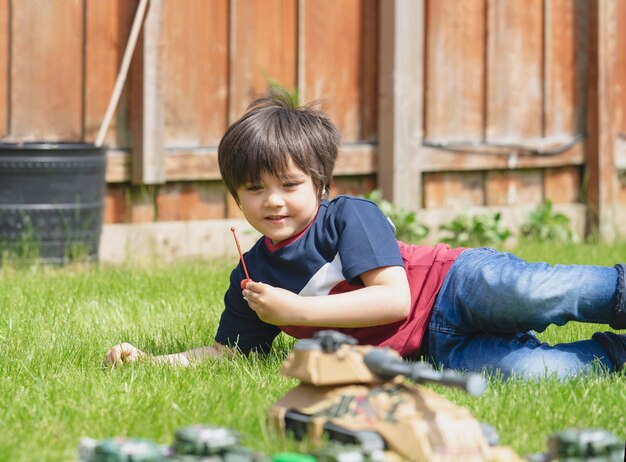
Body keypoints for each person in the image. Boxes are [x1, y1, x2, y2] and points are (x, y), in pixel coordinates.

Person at [104, 89, 626, 379]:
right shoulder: (253, 274)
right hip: (434, 350)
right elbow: (230, 353)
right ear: (236, 198)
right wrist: (152, 362)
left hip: (455, 285)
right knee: (535, 374)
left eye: (290, 183)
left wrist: (299, 312)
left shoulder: (348, 216)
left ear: (321, 184)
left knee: (542, 292)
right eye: (254, 188)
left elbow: (394, 300)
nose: (274, 200)